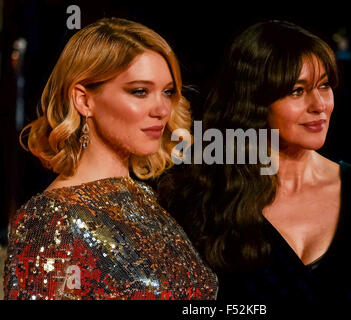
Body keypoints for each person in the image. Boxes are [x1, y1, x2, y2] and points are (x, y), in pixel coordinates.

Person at [158, 20, 351, 300]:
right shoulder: (200, 196)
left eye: (324, 86)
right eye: (297, 91)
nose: (319, 105)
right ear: (254, 101)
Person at [3, 17, 218, 300]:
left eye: (167, 92)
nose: (162, 109)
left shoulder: (146, 200)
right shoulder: (51, 219)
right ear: (84, 100)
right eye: (140, 91)